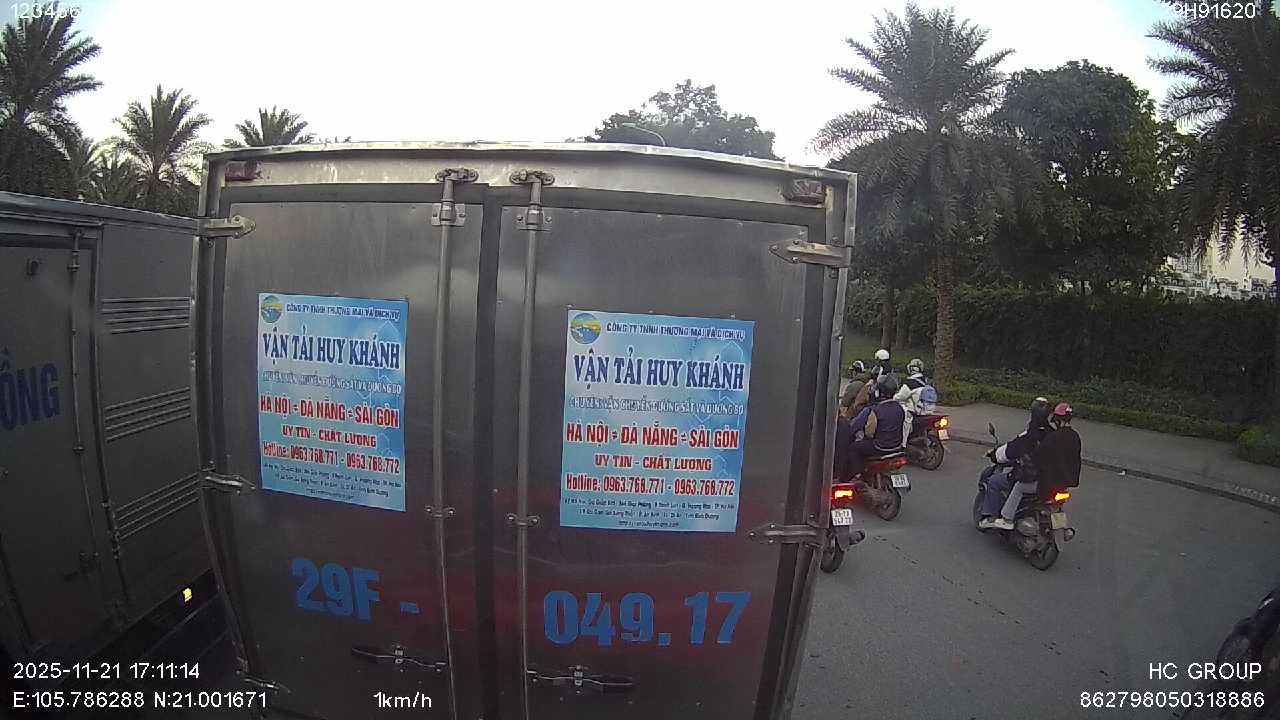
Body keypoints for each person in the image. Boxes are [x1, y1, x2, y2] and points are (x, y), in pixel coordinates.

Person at [978, 397, 1052, 530]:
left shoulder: (1030, 434)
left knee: (994, 481)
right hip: (1050, 479)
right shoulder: (1052, 433)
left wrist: (994, 455)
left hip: (1031, 477)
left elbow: (1008, 451)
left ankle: (991, 518)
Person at [846, 375, 907, 479]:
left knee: (853, 448)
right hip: (896, 447)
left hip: (879, 447)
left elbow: (854, 428)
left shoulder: (873, 410)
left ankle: (857, 474)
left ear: (878, 392)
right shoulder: (899, 408)